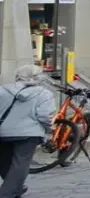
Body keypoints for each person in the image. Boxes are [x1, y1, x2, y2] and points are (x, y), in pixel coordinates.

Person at [0, 65, 55, 198]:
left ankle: (16, 188)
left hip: (3, 131)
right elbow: (45, 116)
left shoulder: (3, 90)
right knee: (20, 163)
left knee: (3, 160)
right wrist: (49, 130)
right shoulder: (44, 93)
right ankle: (6, 193)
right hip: (30, 133)